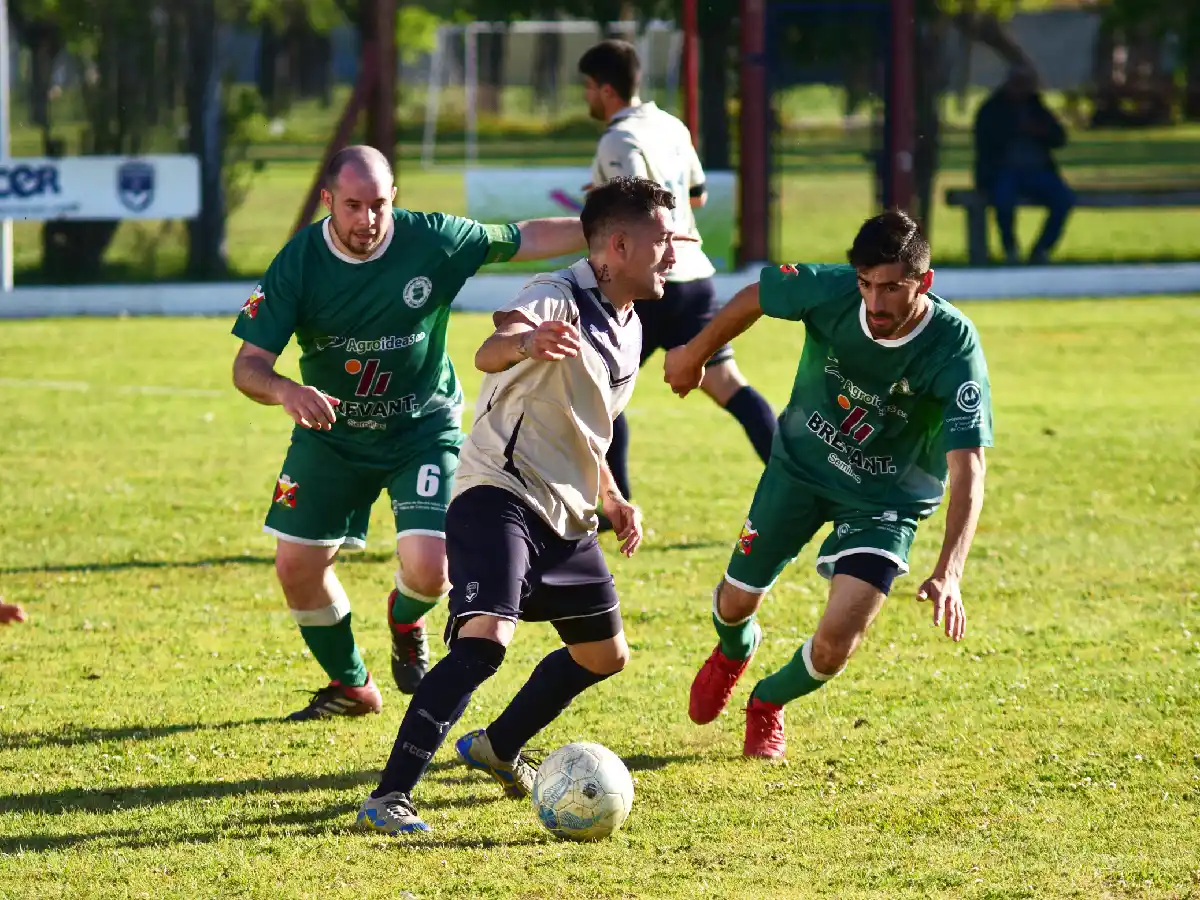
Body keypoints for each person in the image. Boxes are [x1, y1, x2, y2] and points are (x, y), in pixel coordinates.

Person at [356, 176, 675, 835]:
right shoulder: (555, 295)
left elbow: (589, 428)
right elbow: (491, 348)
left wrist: (614, 498)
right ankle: (389, 797)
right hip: (498, 492)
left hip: (566, 513)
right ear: (619, 246)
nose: (672, 256)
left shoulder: (631, 325)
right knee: (485, 642)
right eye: (662, 242)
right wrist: (527, 343)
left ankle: (498, 747)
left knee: (604, 655)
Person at [231, 145, 588, 721]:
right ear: (327, 201)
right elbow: (248, 366)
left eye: (378, 204)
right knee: (296, 567)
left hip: (422, 428)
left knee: (430, 568)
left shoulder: (432, 240)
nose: (367, 220)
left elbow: (521, 237)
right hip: (331, 435)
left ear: (393, 197)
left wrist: (606, 229)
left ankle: (404, 619)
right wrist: (287, 391)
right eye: (353, 206)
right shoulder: (298, 263)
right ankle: (352, 686)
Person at [664, 209, 992, 759]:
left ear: (924, 281)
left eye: (892, 288)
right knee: (736, 602)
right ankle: (735, 649)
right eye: (866, 284)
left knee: (837, 642)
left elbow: (969, 466)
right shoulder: (831, 290)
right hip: (799, 469)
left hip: (884, 501)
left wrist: (949, 572)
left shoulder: (953, 346)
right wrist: (696, 355)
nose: (875, 302)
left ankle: (767, 702)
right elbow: (754, 297)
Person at [578, 39, 777, 513]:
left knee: (600, 386)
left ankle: (616, 504)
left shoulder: (617, 139)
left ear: (606, 89)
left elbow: (634, 206)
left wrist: (604, 201)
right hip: (694, 276)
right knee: (728, 384)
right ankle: (797, 483)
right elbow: (697, 195)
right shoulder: (671, 125)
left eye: (587, 87)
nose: (586, 96)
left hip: (651, 281)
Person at [973, 64, 1075, 265]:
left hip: (1038, 172)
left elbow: (1060, 138)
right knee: (1003, 200)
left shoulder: (1037, 108)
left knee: (1064, 198)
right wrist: (1014, 128)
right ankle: (1010, 248)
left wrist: (1040, 131)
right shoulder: (992, 109)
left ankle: (1041, 249)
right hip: (1002, 172)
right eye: (1018, 83)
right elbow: (985, 141)